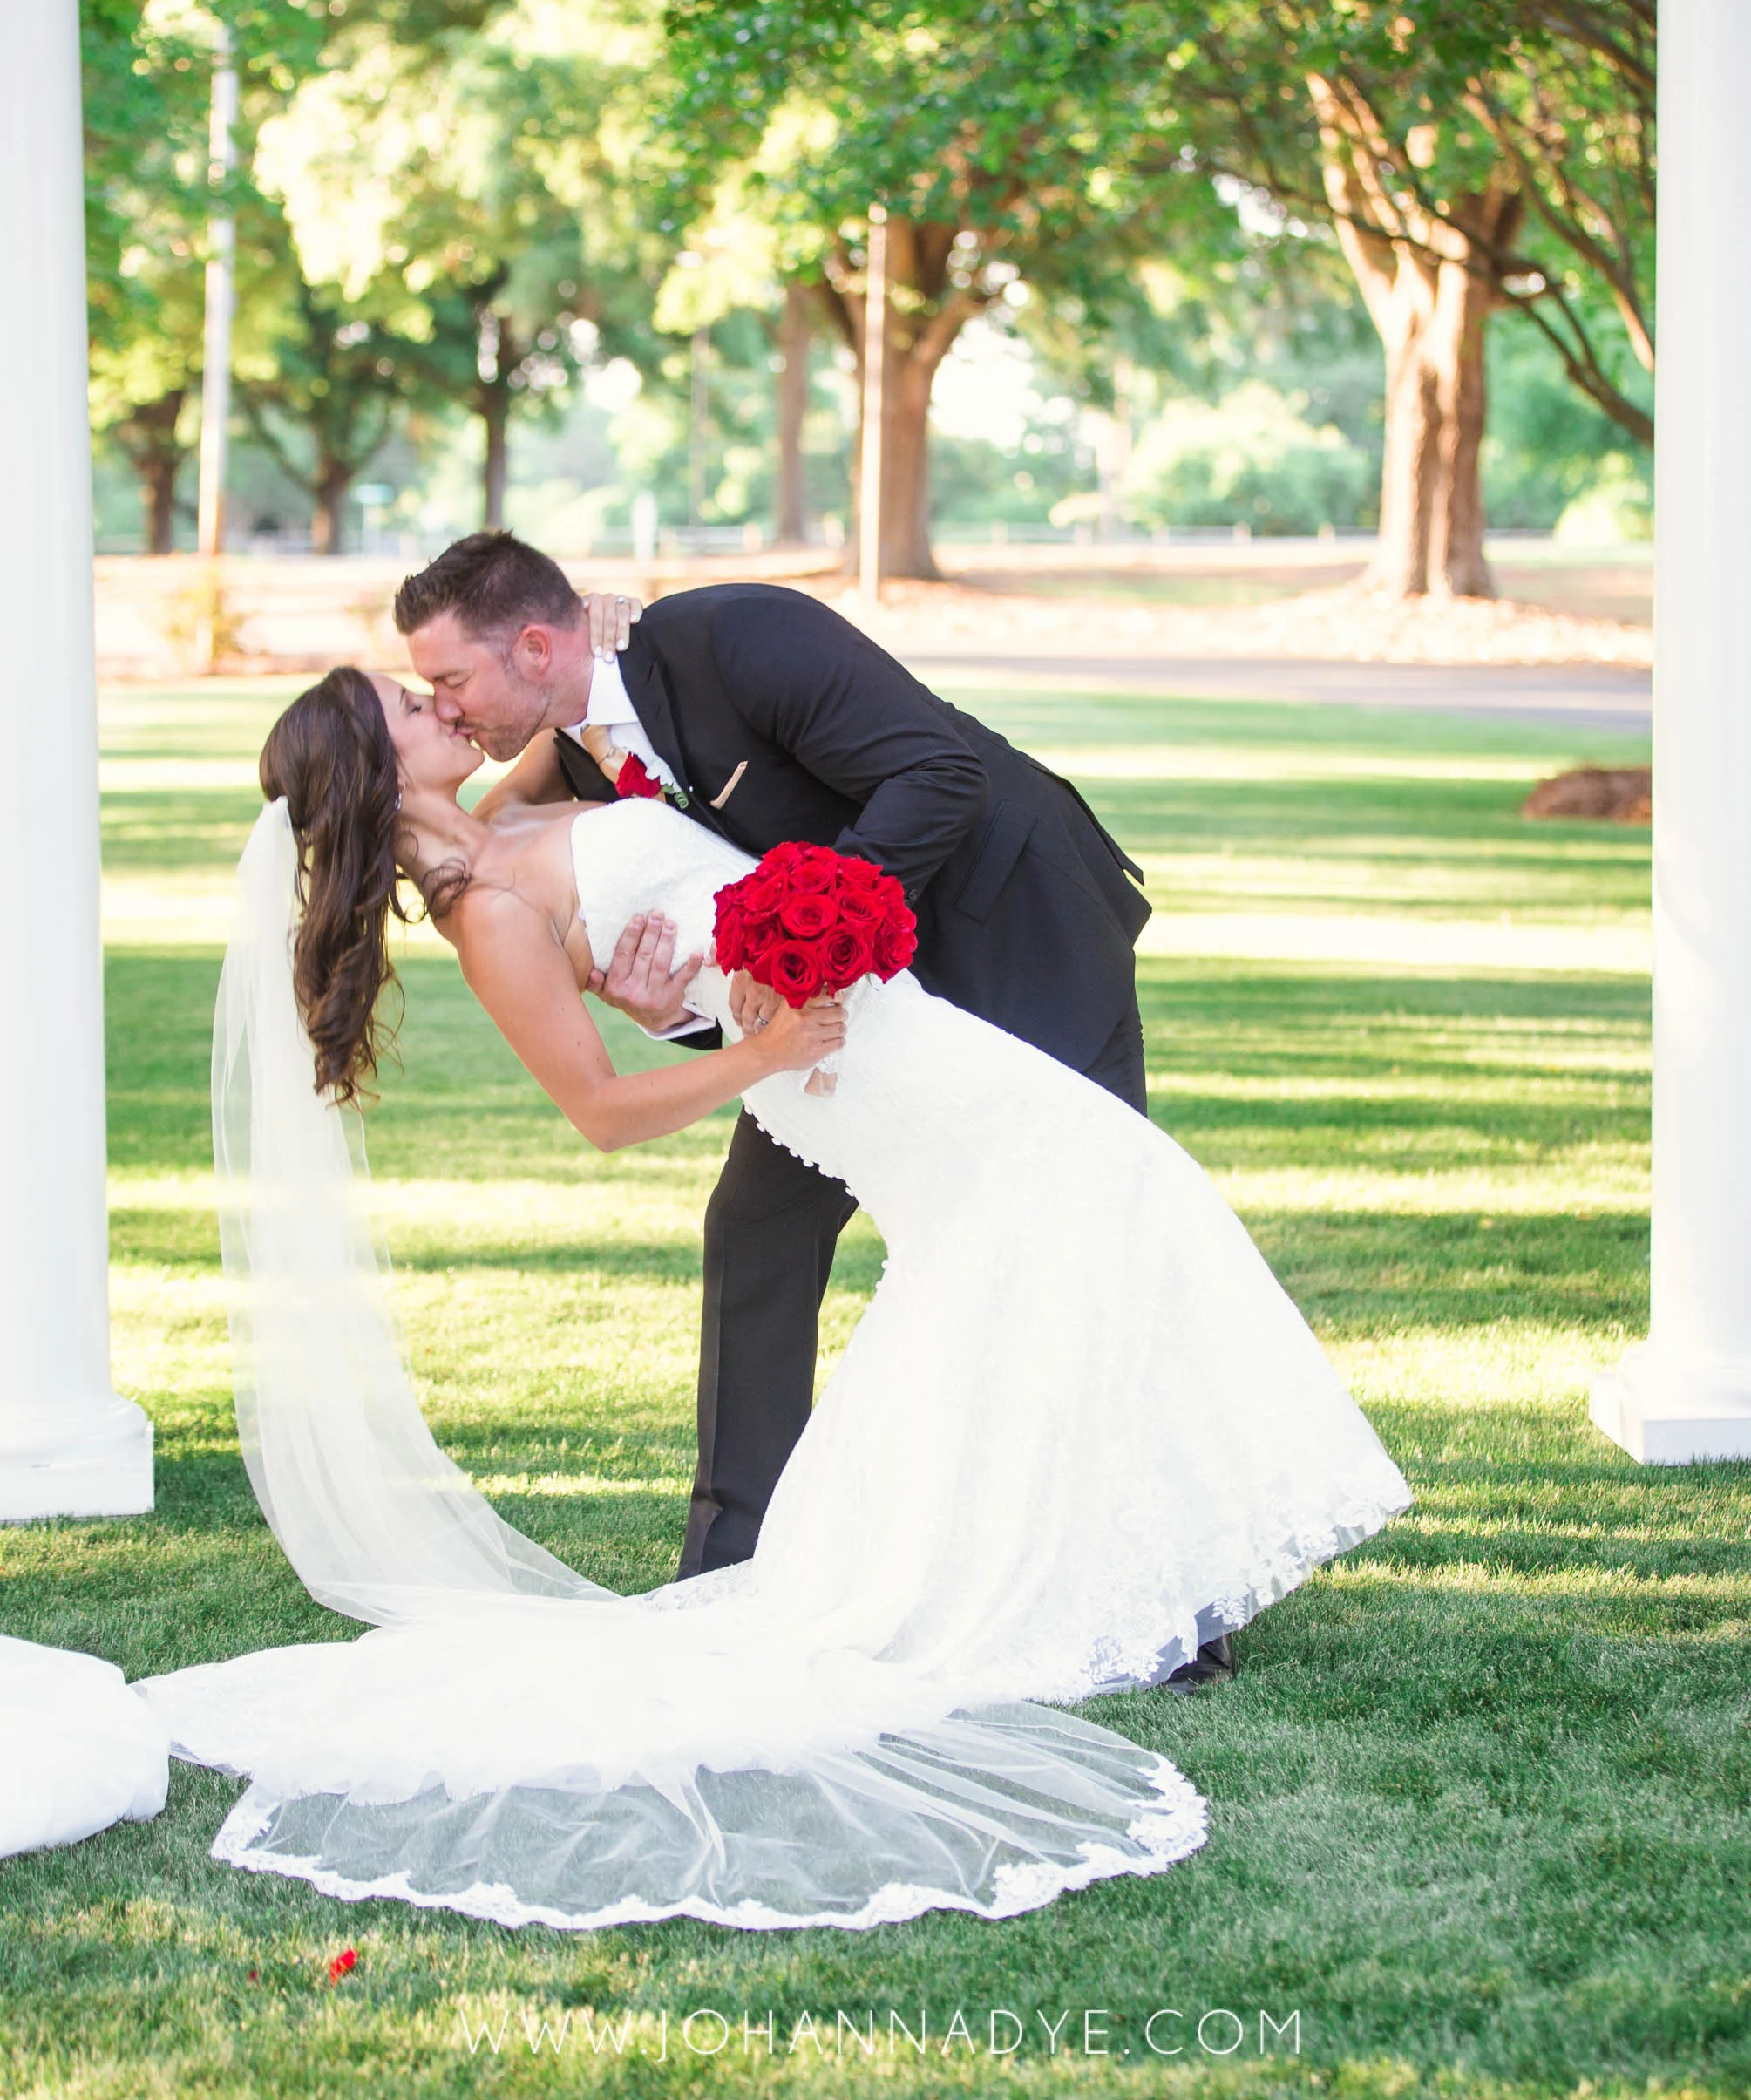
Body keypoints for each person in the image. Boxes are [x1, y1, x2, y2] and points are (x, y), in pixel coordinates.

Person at [139, 657, 1411, 1933]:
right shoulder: (487, 915)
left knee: (1038, 1237)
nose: (442, 709)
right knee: (1105, 1186)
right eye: (412, 710)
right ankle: (1013, 1562)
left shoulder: (522, 803)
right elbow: (599, 1113)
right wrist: (753, 1048)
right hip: (831, 1064)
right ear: (374, 769)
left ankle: (1020, 1555)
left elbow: (604, 730)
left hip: (885, 1021)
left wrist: (677, 983)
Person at [389, 540, 1211, 1631]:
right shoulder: (573, 762)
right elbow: (684, 908)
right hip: (840, 1013)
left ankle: (1176, 1602)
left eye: (453, 681)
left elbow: (938, 773)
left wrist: (793, 960)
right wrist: (668, 1007)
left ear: (537, 645)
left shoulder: (740, 636)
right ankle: (730, 1575)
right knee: (756, 1235)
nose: (450, 709)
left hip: (1014, 923)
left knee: (1077, 1233)